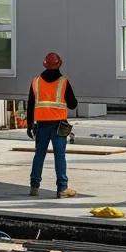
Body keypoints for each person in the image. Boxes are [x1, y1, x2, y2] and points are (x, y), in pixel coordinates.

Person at [27, 51, 78, 199]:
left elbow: (30, 105)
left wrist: (29, 125)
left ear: (45, 64)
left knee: (39, 155)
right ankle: (62, 188)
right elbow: (73, 104)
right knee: (59, 156)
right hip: (58, 126)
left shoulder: (35, 81)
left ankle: (34, 187)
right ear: (59, 64)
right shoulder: (63, 82)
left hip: (41, 125)